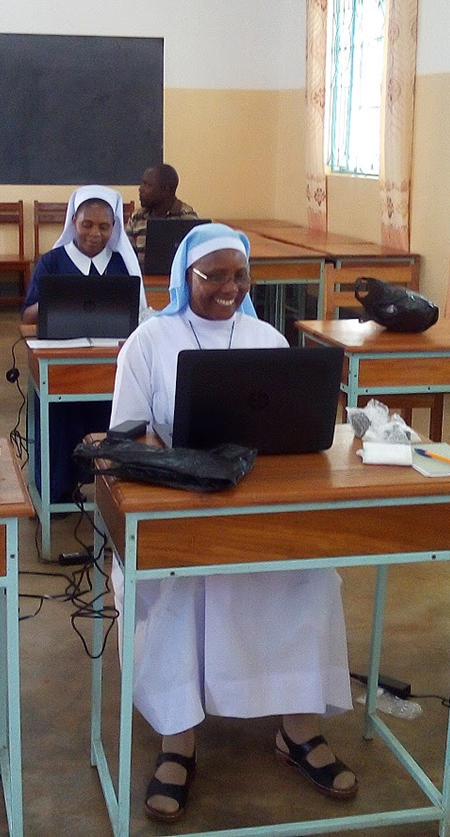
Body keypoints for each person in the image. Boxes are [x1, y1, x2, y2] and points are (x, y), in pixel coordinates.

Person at [108, 223, 356, 823]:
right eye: (212, 275)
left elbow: (294, 423)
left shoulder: (267, 337)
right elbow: (125, 434)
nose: (227, 286)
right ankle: (178, 739)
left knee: (312, 576)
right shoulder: (149, 341)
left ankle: (297, 729)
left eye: (238, 275)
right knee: (185, 585)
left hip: (259, 505)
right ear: (184, 277)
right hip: (183, 508)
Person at [21, 185, 147, 504]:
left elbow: (138, 313)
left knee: (117, 418)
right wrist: (56, 297)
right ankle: (58, 491)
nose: (95, 233)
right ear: (73, 222)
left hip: (110, 363)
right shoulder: (52, 262)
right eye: (87, 224)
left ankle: (111, 491)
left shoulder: (122, 265)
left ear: (114, 228)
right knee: (60, 420)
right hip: (64, 363)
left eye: (104, 226)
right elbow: (28, 314)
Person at [125, 163, 198, 253]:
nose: (140, 189)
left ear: (165, 190)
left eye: (147, 185)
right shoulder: (137, 217)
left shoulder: (187, 218)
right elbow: (127, 257)